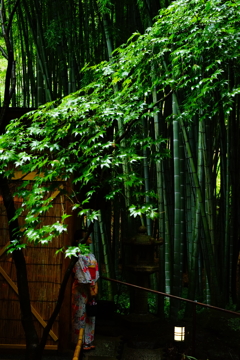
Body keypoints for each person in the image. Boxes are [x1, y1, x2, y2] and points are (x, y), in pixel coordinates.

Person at [71, 229, 99, 350]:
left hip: (91, 286)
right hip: (82, 288)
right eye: (86, 236)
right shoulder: (78, 254)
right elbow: (81, 272)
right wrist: (90, 285)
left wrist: (95, 284)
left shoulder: (89, 253)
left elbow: (95, 270)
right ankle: (80, 342)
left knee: (91, 313)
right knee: (80, 313)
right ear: (79, 240)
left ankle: (88, 340)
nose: (90, 237)